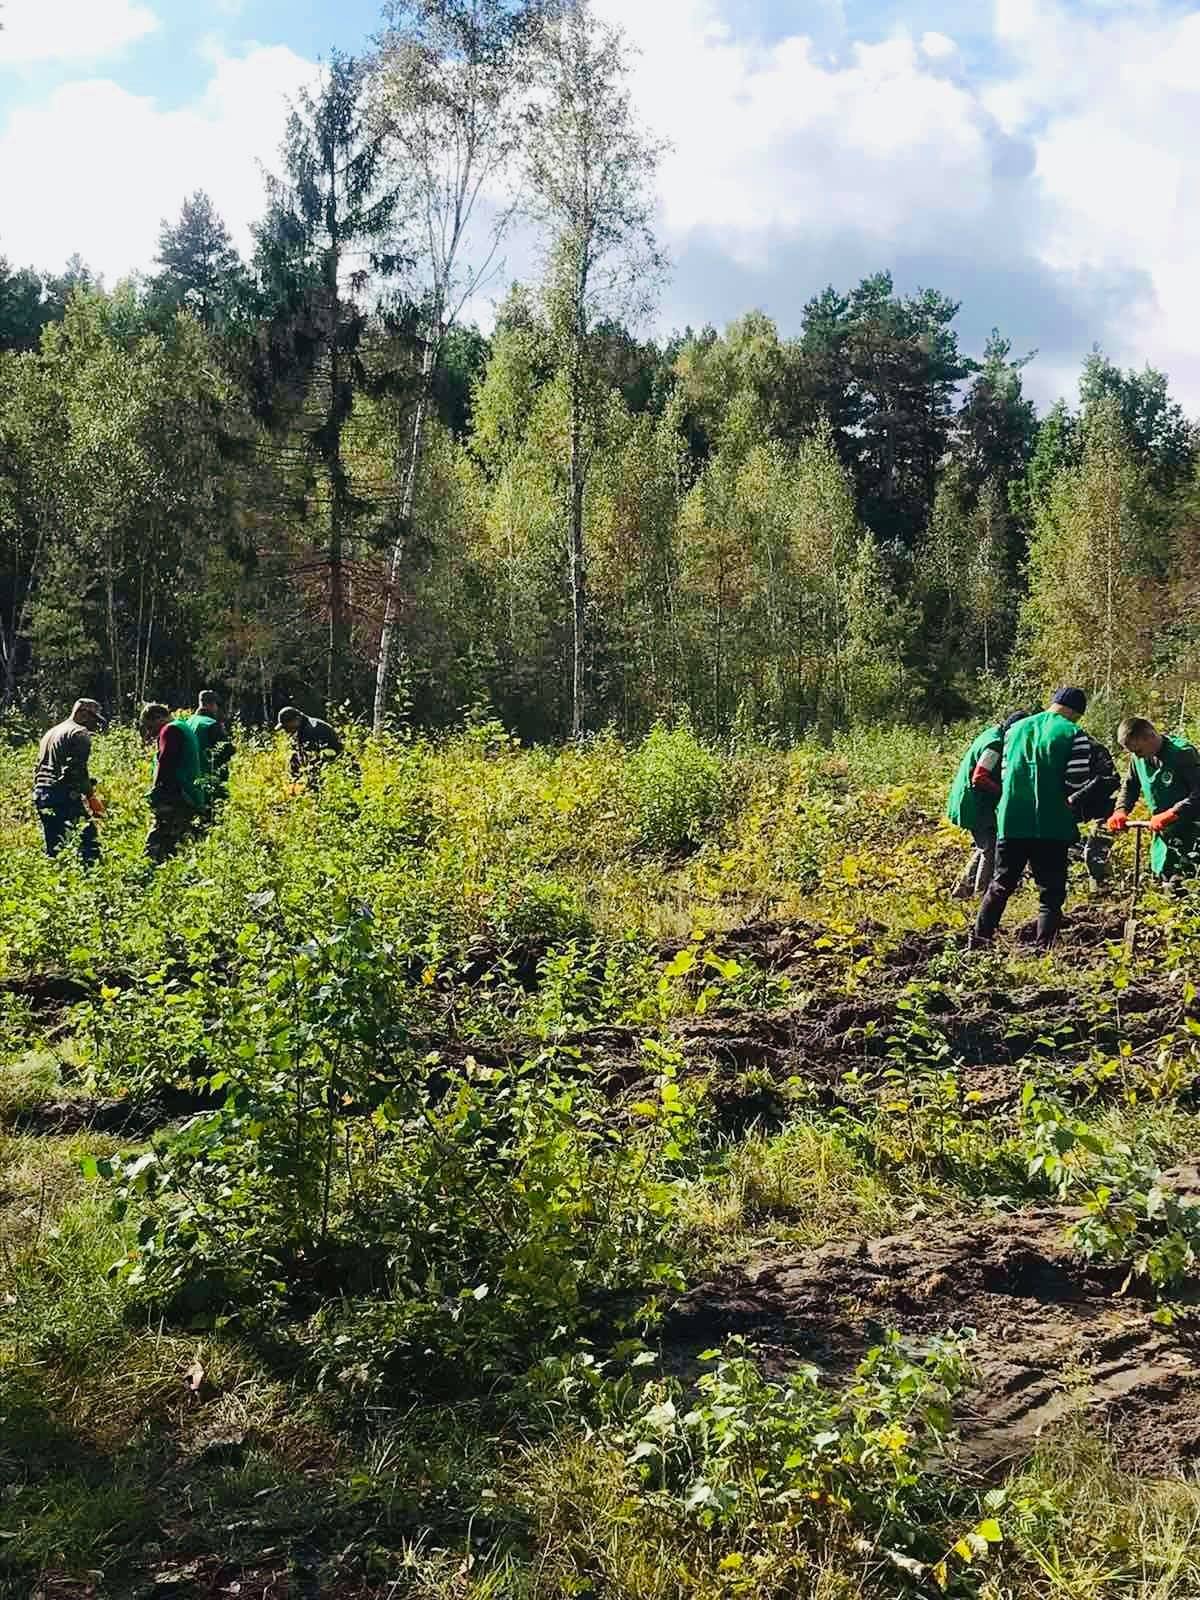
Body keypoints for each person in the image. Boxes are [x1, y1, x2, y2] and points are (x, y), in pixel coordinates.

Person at [973, 687, 1092, 951]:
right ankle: (1043, 947)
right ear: (1076, 712)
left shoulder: (1015, 730)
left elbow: (1005, 773)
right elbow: (1077, 779)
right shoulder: (1074, 733)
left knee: (1001, 883)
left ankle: (979, 941)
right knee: (1050, 892)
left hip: (1012, 820)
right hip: (1051, 824)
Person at [947, 711, 1030, 899]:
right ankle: (981, 895)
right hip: (975, 804)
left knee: (984, 846)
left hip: (972, 801)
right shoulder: (995, 744)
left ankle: (961, 891)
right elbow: (979, 777)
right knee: (990, 850)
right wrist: (1004, 792)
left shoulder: (993, 734)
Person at [1107, 717, 1200, 884]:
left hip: (1191, 829)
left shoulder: (1182, 753)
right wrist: (1120, 810)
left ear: (1150, 736)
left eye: (1138, 750)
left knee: (1187, 880)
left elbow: (1198, 793)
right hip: (1164, 832)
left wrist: (1173, 813)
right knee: (1165, 878)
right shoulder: (1139, 759)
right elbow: (1130, 785)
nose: (1137, 756)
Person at [33, 699, 106, 866]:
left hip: (41, 793)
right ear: (82, 714)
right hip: (62, 795)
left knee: (55, 847)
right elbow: (76, 771)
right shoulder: (79, 733)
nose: (95, 724)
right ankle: (92, 883)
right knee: (89, 843)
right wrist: (91, 797)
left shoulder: (51, 732)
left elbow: (38, 767)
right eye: (93, 718)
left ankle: (54, 883)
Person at [140, 703, 205, 863]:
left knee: (159, 836)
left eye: (150, 727)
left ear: (158, 718)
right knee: (177, 838)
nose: (150, 733)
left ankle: (146, 871)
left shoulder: (170, 730)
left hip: (176, 793)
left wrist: (157, 791)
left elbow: (166, 763)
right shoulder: (183, 726)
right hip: (188, 792)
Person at [1067, 734, 1121, 888]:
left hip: (1100, 812)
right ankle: (1087, 892)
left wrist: (1075, 798)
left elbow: (1110, 780)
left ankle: (1102, 891)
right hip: (1073, 817)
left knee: (1095, 856)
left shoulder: (1093, 748)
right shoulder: (1054, 749)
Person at [184, 690, 234, 813]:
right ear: (211, 705)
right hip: (210, 780)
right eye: (216, 705)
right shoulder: (211, 724)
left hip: (190, 780)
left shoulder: (188, 722)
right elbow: (227, 750)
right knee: (214, 815)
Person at [276, 706, 343, 784]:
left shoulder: (311, 730)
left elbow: (313, 760)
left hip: (332, 765)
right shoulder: (303, 727)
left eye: (286, 726)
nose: (286, 730)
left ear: (297, 719)